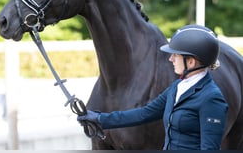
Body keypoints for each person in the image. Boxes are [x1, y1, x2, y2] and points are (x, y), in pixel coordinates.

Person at [78, 24, 228, 150]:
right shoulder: (177, 87)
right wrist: (99, 118)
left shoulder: (212, 99)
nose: (171, 59)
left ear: (191, 62)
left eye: (175, 55)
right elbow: (144, 113)